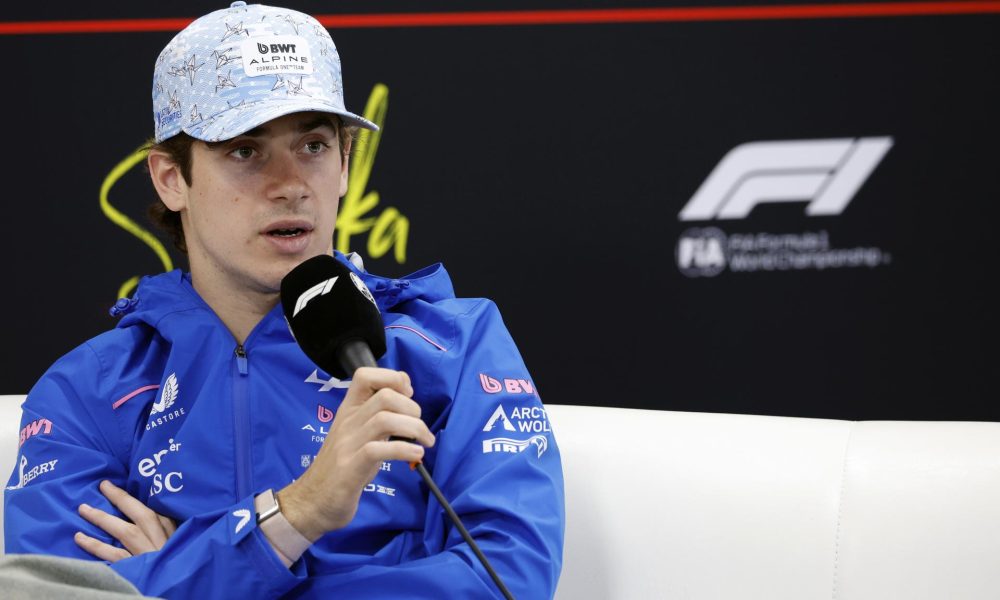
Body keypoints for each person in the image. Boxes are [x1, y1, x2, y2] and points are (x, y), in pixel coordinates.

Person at [3, 2, 565, 598]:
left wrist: (195, 572)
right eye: (245, 150)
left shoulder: (455, 346)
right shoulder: (87, 391)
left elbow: (510, 579)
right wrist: (297, 512)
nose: (291, 183)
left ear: (346, 165)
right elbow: (54, 590)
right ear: (171, 178)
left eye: (315, 146)